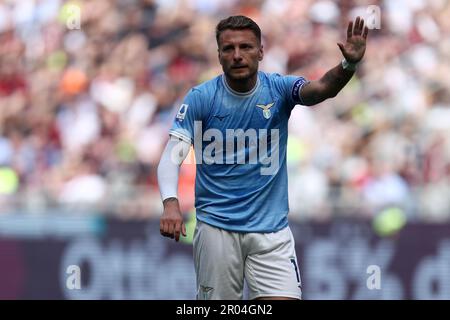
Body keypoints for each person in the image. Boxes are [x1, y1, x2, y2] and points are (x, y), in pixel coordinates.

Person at [157, 15, 368, 300]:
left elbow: (321, 90)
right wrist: (170, 203)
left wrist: (348, 65)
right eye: (228, 49)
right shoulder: (201, 98)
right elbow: (173, 155)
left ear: (260, 52)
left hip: (271, 231)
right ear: (218, 55)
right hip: (217, 228)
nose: (237, 55)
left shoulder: (279, 89)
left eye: (245, 47)